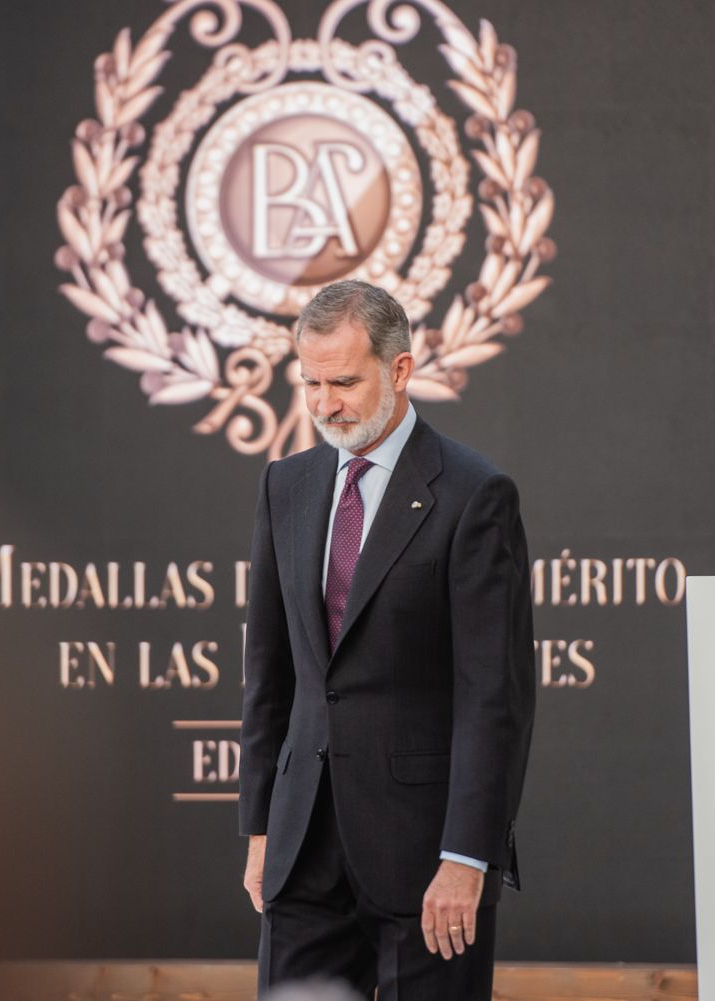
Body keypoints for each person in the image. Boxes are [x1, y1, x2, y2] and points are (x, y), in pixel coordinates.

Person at [238, 280, 536, 1000]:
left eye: (344, 382)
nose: (324, 404)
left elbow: (493, 697)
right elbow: (270, 677)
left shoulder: (474, 493)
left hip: (427, 861)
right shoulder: (285, 485)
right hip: (302, 853)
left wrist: (467, 856)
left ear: (399, 370)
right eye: (310, 383)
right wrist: (261, 830)